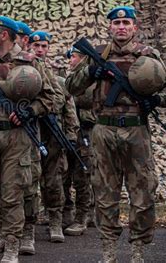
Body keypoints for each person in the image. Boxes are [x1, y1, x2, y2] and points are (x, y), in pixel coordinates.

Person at [65, 6, 166, 262]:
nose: (122, 27)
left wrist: (155, 101)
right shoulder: (96, 56)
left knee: (143, 190)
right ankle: (109, 251)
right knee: (104, 192)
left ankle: (137, 251)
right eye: (117, 23)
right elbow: (71, 86)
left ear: (135, 27)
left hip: (136, 129)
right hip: (104, 129)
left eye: (126, 22)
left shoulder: (148, 56)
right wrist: (91, 72)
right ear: (110, 27)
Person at [0, 16, 55, 263]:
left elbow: (51, 98)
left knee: (13, 193)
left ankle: (12, 248)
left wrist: (31, 111)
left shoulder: (30, 62)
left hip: (16, 136)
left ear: (4, 35)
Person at [29, 30, 75, 243]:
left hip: (51, 128)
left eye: (43, 46)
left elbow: (64, 102)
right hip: (29, 127)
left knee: (53, 178)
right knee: (27, 178)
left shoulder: (55, 74)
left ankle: (55, 220)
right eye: (36, 46)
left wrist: (71, 133)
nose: (40, 50)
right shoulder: (22, 70)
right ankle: (24, 225)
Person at [63, 47, 96, 235]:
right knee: (65, 175)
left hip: (85, 131)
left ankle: (82, 217)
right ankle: (68, 214)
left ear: (83, 59)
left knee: (83, 176)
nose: (70, 61)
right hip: (70, 131)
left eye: (74, 57)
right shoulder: (72, 78)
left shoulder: (89, 79)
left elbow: (84, 97)